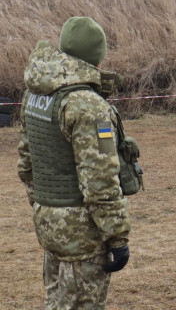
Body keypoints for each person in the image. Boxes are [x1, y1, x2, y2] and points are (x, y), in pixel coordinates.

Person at [17, 16, 132, 308]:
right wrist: (117, 237)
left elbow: (26, 162)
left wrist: (44, 206)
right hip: (81, 230)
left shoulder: (36, 93)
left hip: (49, 218)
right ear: (97, 55)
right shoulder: (87, 105)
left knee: (57, 301)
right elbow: (100, 181)